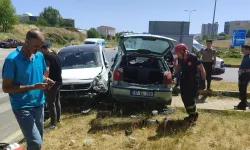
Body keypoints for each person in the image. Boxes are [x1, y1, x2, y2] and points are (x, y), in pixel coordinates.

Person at [2, 29, 55, 150]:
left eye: (40, 46)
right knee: (35, 142)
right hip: (22, 106)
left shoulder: (39, 56)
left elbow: (39, 75)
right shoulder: (12, 60)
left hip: (39, 103)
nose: (38, 49)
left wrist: (46, 80)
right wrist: (33, 87)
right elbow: (6, 88)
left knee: (39, 140)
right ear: (26, 42)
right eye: (35, 46)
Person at [173, 43, 206, 124]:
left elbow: (202, 69)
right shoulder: (181, 58)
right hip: (184, 81)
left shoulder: (193, 57)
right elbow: (179, 65)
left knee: (190, 100)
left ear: (183, 51)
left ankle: (194, 115)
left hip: (192, 82)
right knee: (184, 98)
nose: (177, 55)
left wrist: (203, 82)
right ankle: (190, 115)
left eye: (178, 53)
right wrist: (174, 73)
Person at [39, 40, 62, 129]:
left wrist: (45, 80)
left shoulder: (47, 57)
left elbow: (47, 70)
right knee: (57, 101)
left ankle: (53, 124)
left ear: (43, 48)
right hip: (59, 81)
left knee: (50, 103)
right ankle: (58, 119)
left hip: (52, 83)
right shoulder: (56, 55)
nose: (39, 51)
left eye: (40, 49)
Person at [235, 45, 250, 110]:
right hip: (242, 75)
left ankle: (242, 106)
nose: (241, 50)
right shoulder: (245, 56)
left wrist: (244, 70)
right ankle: (243, 103)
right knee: (241, 89)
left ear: (247, 50)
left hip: (246, 75)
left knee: (242, 90)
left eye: (242, 49)